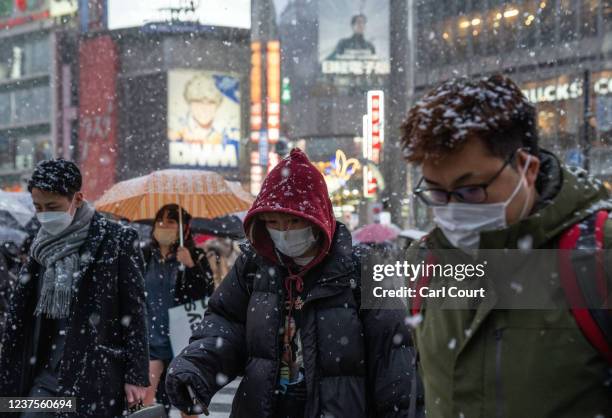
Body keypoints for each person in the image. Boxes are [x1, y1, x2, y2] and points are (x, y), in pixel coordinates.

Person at [400, 74, 612, 417]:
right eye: (437, 193)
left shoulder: (597, 257)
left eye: (471, 190)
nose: (453, 211)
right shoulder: (425, 262)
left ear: (527, 168)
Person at [165, 148, 418, 417]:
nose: (283, 232)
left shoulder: (364, 268)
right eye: (273, 222)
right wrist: (195, 369)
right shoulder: (253, 265)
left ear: (318, 218)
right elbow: (224, 327)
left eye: (294, 221)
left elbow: (394, 357)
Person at [0, 159, 150, 418]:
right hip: (45, 376)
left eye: (52, 206)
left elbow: (134, 311)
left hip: (94, 375)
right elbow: (20, 310)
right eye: (38, 207)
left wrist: (136, 374)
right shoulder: (40, 245)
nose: (44, 214)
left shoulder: (116, 239)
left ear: (77, 199)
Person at [141, 204, 213, 417]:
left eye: (171, 221)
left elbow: (207, 294)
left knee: (188, 408)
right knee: (143, 404)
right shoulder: (145, 255)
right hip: (150, 341)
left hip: (182, 343)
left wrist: (191, 267)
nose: (163, 225)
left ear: (184, 228)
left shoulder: (195, 255)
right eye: (160, 220)